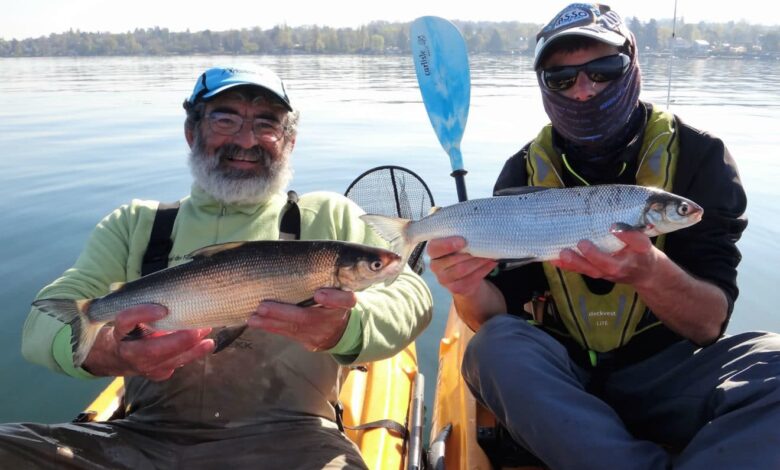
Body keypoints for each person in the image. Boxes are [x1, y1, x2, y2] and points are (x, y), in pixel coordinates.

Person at [0, 65, 432, 469]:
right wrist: (107, 350)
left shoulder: (329, 217)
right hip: (141, 440)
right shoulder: (136, 224)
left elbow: (412, 297)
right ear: (191, 132)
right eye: (226, 121)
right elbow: (40, 322)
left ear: (290, 140)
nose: (246, 140)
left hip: (296, 443)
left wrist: (346, 329)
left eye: (267, 124)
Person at [427, 3, 780, 469]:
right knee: (491, 349)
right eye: (562, 79)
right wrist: (467, 286)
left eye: (604, 69)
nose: (583, 91)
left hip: (670, 372)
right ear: (544, 86)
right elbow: (496, 316)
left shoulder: (701, 157)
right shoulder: (523, 172)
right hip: (562, 377)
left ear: (633, 63)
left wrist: (651, 272)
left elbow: (709, 325)